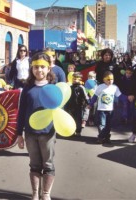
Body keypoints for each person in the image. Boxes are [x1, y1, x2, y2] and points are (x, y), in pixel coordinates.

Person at [17, 51, 56, 200]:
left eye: (42, 67)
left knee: (48, 164)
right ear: (31, 69)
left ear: (48, 68)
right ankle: (35, 193)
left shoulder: (54, 87)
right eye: (35, 67)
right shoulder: (27, 88)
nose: (39, 70)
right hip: (30, 134)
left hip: (48, 133)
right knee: (34, 164)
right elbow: (21, 111)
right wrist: (19, 134)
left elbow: (60, 110)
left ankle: (45, 193)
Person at [87, 71, 122, 144]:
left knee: (108, 125)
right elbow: (95, 96)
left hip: (110, 110)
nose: (110, 81)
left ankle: (107, 137)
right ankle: (100, 137)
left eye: (112, 79)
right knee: (102, 124)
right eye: (108, 79)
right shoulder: (100, 87)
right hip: (101, 109)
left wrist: (124, 102)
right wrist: (90, 104)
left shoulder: (114, 88)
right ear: (104, 80)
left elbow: (120, 97)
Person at [65, 72, 89, 136]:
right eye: (73, 78)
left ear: (80, 79)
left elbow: (85, 96)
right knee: (71, 119)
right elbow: (67, 96)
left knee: (78, 119)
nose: (74, 80)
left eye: (76, 79)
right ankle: (72, 131)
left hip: (79, 106)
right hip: (71, 106)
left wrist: (88, 103)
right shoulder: (70, 87)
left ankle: (78, 131)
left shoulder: (81, 88)